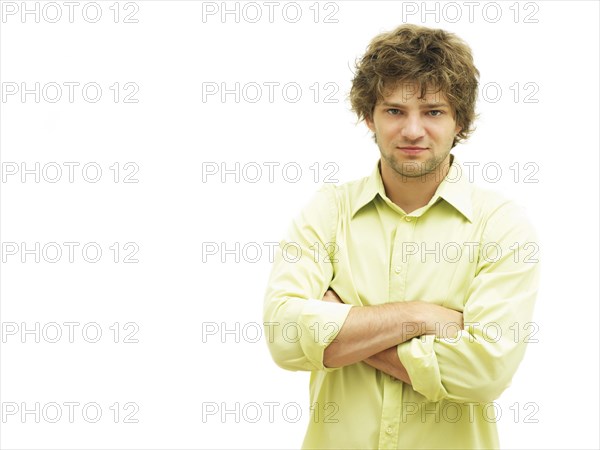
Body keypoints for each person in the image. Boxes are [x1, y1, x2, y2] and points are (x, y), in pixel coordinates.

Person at [263, 23, 541, 449]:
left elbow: (485, 371)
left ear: (460, 121)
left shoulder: (501, 226)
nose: (413, 131)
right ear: (367, 116)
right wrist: (423, 315)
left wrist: (340, 332)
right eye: (394, 110)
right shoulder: (327, 212)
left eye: (433, 111)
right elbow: (284, 338)